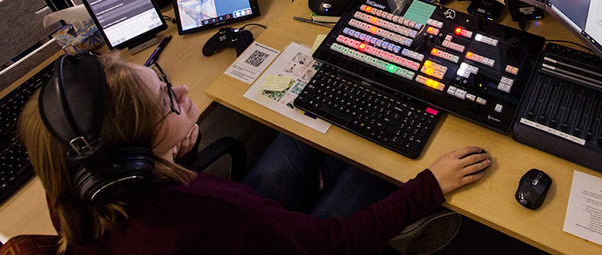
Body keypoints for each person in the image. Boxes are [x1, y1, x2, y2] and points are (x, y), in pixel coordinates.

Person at [18, 53, 492, 254]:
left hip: (233, 234)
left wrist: (174, 145)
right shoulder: (207, 212)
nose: (181, 88)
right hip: (310, 245)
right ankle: (400, 230)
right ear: (134, 151)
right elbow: (333, 245)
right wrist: (429, 187)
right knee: (380, 167)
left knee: (303, 134)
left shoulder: (75, 188)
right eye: (166, 99)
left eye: (159, 76)